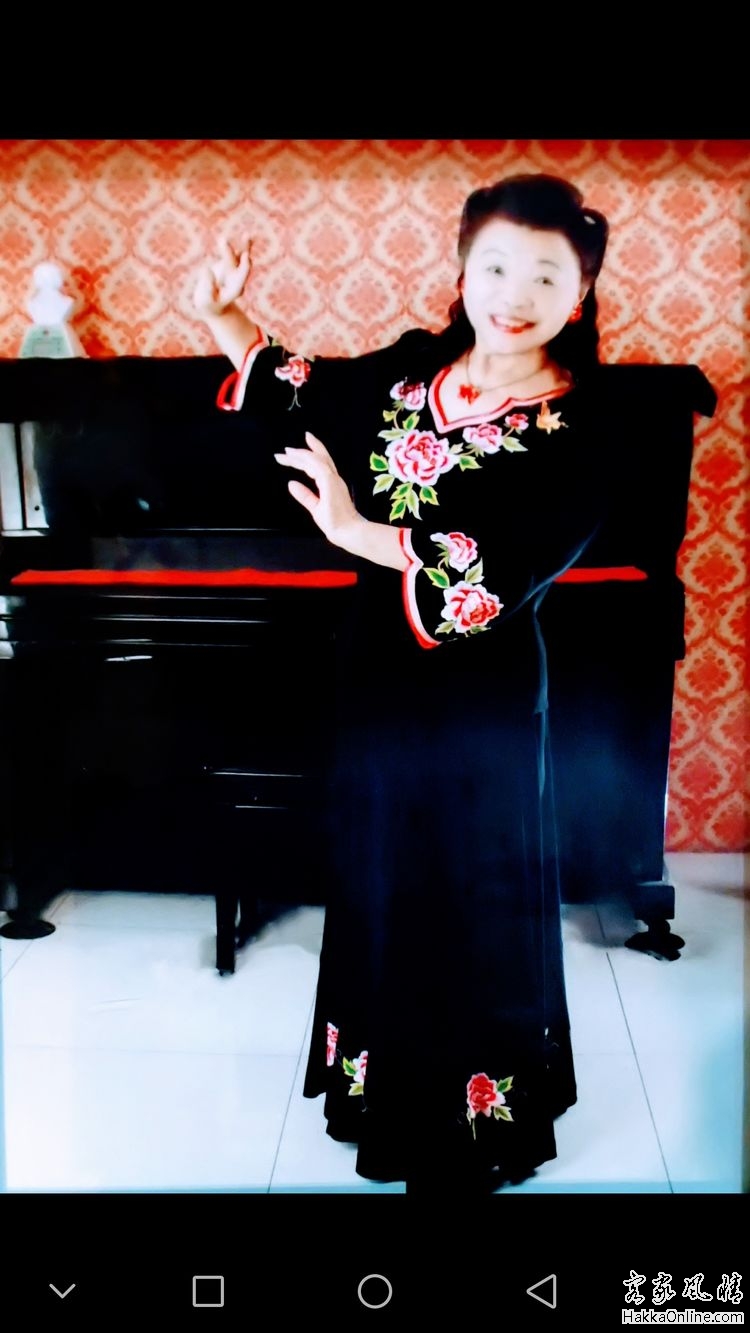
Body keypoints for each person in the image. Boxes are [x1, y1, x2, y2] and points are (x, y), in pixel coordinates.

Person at [193, 173, 611, 1194]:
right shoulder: (413, 367)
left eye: (545, 275)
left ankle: (470, 1126)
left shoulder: (587, 426)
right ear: (463, 273)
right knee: (381, 878)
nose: (514, 294)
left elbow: (500, 567)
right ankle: (378, 1098)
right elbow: (305, 391)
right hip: (380, 676)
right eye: (495, 267)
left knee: (472, 892)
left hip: (484, 701)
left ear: (582, 292)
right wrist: (223, 314)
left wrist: (356, 531)